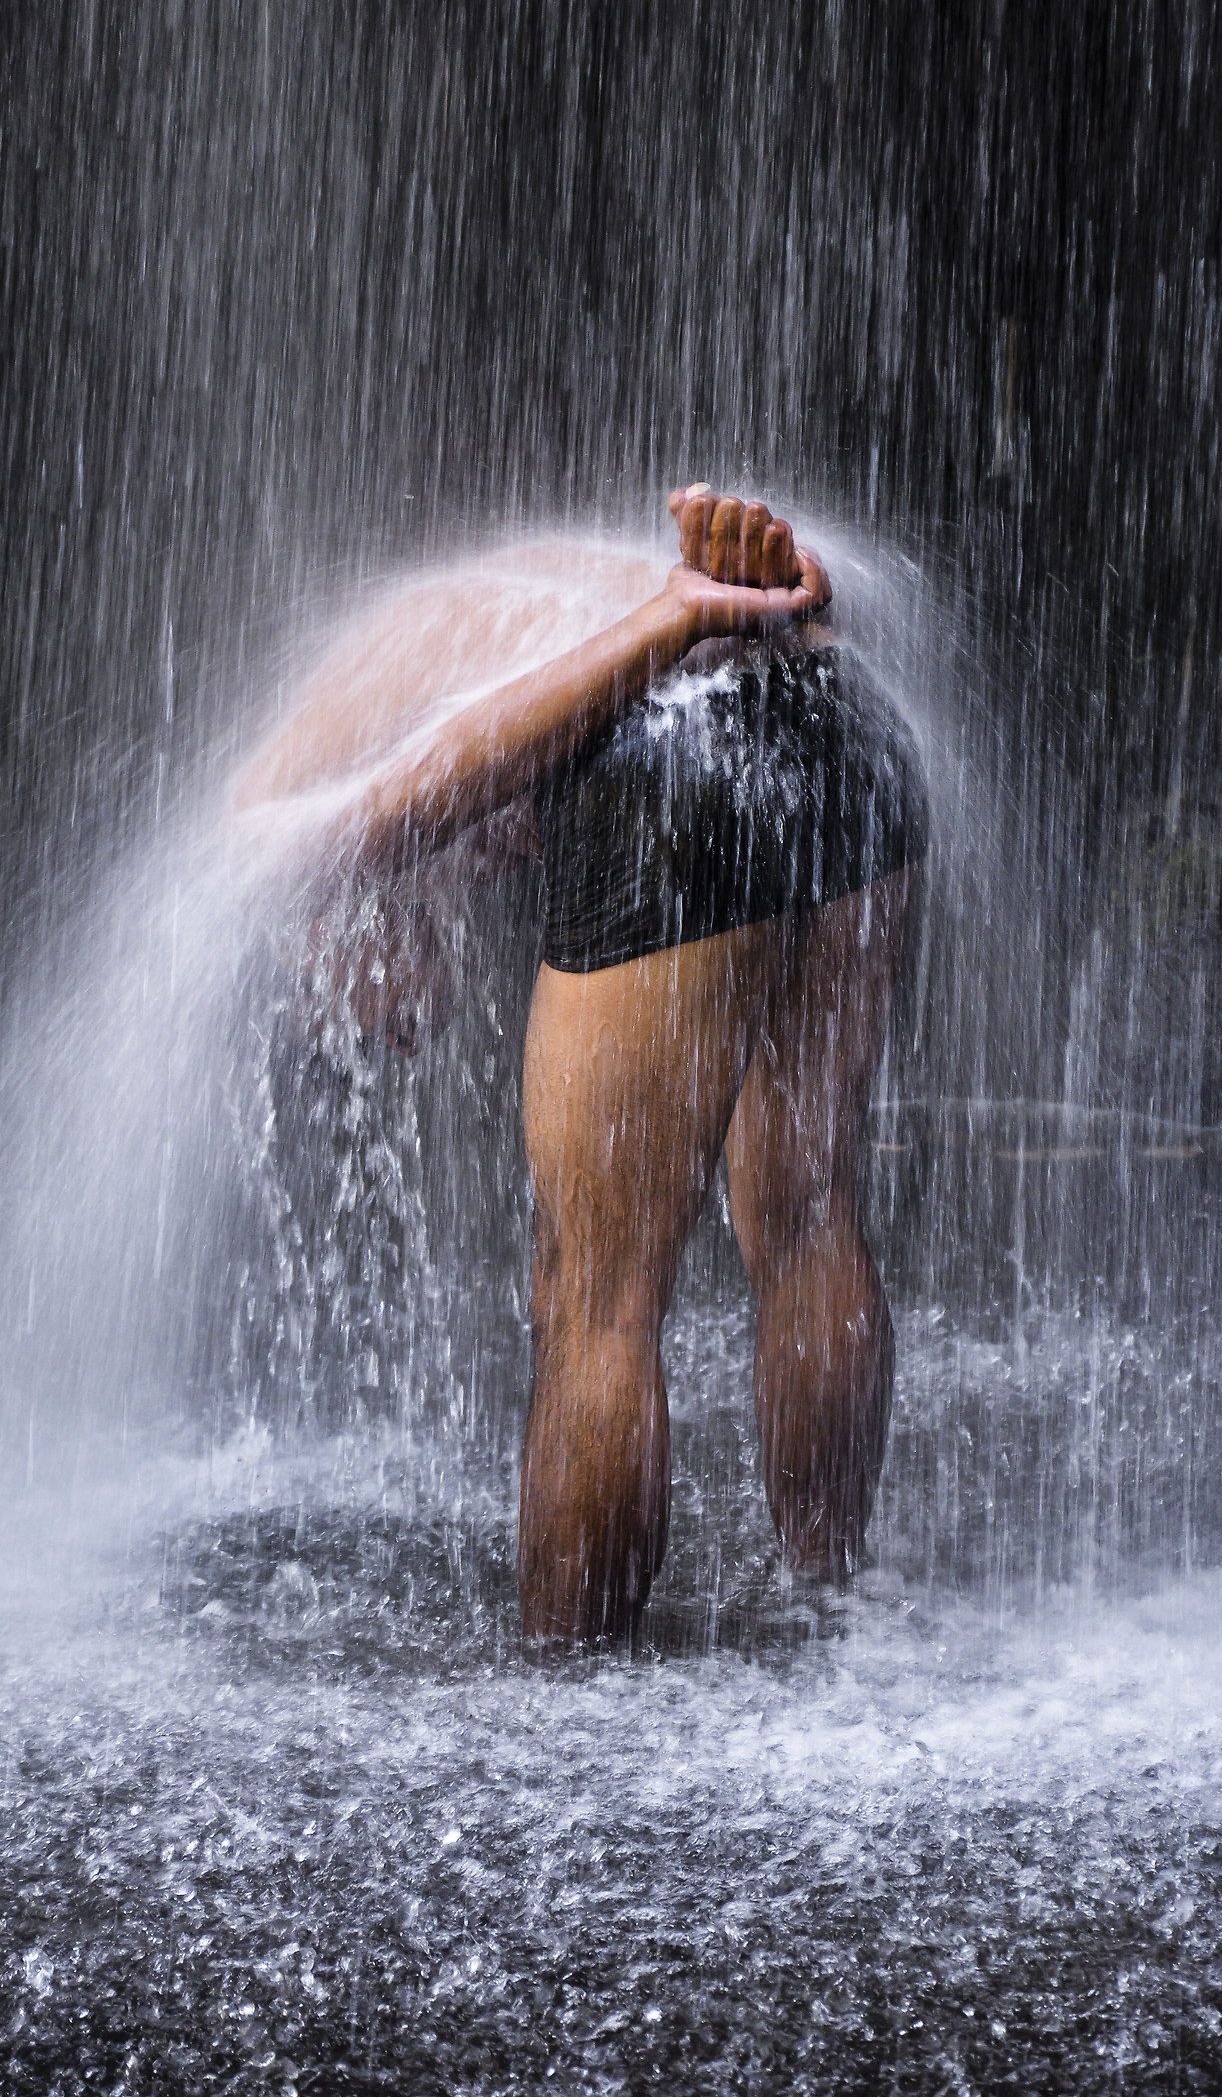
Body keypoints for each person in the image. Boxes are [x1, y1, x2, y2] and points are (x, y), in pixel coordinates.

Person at [234, 489, 927, 1644]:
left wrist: (662, 628)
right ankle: (829, 1592)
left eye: (358, 1029)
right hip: (845, 712)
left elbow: (415, 802)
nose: (390, 1040)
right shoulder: (434, 638)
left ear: (312, 953)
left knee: (594, 1294)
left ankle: (570, 1691)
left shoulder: (280, 845)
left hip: (685, 729)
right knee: (806, 1205)